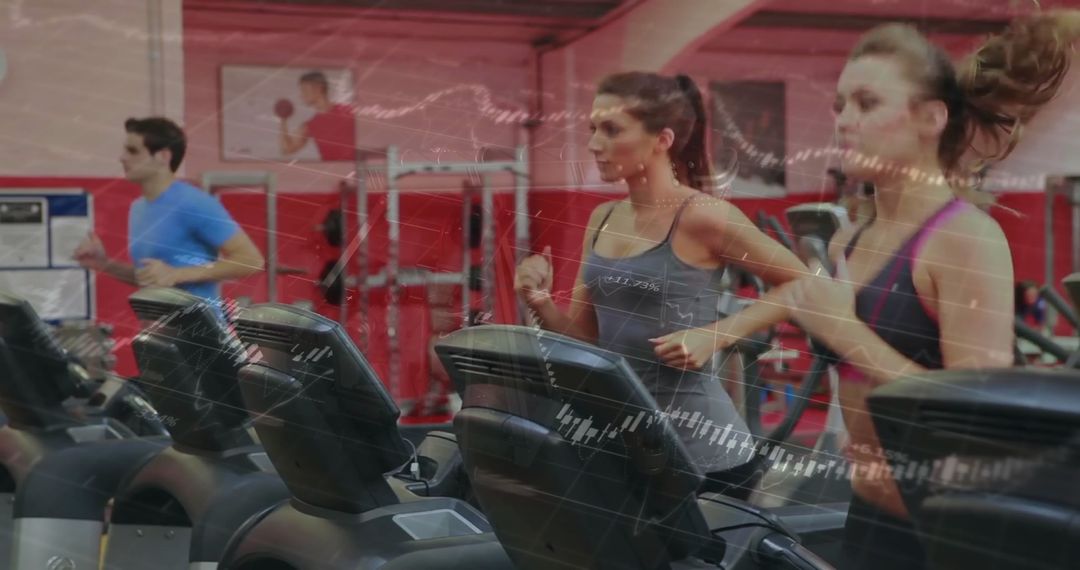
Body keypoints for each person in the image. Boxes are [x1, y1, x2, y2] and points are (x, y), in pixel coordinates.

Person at [782, 12, 1080, 570]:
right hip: (871, 517)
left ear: (930, 118)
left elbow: (978, 422)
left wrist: (845, 334)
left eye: (867, 104)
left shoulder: (964, 238)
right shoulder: (852, 237)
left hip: (949, 534)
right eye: (839, 106)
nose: (844, 121)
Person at [514, 72, 808, 498]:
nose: (595, 143)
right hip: (628, 450)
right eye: (592, 129)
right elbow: (589, 339)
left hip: (704, 458)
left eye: (612, 129)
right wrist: (538, 300)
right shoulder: (603, 219)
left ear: (662, 139)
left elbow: (806, 283)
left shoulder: (702, 217)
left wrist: (716, 336)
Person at [74, 117, 264, 307]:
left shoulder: (193, 203)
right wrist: (105, 264)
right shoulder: (138, 208)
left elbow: (252, 260)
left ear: (163, 156)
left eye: (132, 151)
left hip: (198, 332)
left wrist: (176, 274)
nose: (122, 157)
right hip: (160, 329)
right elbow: (150, 279)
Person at [279, 71, 356, 161]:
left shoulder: (349, 111)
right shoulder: (310, 126)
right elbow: (287, 149)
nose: (301, 95)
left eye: (304, 90)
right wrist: (283, 120)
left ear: (318, 88)